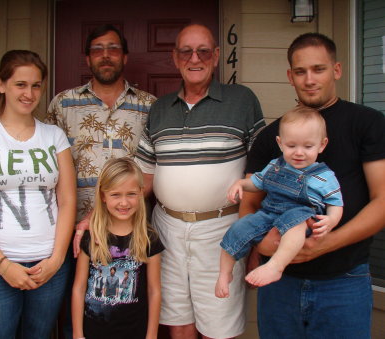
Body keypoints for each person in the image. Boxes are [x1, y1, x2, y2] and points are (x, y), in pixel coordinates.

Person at [243, 33, 385, 338]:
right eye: (300, 71)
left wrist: (326, 243)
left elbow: (382, 200)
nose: (309, 79)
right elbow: (248, 204)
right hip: (280, 282)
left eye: (318, 69)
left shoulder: (366, 124)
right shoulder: (272, 137)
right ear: (289, 76)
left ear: (336, 70)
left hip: (343, 280)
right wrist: (260, 243)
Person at [135, 24, 265, 339]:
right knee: (177, 321)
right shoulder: (160, 109)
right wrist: (101, 217)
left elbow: (258, 176)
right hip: (167, 229)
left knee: (219, 327)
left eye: (204, 51)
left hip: (222, 231)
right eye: (186, 51)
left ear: (216, 56)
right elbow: (145, 178)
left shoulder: (242, 100)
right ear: (175, 58)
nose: (196, 58)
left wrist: (250, 239)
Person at [0, 50, 76, 338]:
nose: (29, 93)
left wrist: (57, 259)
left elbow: (68, 200)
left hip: (48, 267)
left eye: (36, 85)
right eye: (20, 84)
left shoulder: (54, 136)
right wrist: (2, 264)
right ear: (1, 85)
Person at [45, 24, 156, 257]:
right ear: (88, 59)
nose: (105, 55)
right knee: (75, 292)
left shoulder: (150, 107)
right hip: (73, 230)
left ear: (125, 57)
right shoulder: (63, 105)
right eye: (97, 49)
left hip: (131, 231)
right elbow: (49, 169)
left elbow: (156, 169)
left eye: (113, 48)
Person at [215, 107, 343, 296]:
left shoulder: (324, 176)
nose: (299, 153)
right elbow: (257, 183)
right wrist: (241, 184)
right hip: (269, 213)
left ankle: (275, 266)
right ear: (280, 143)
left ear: (322, 145)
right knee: (239, 227)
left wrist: (331, 220)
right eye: (291, 146)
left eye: (308, 147)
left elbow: (336, 203)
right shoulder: (275, 166)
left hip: (301, 214)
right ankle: (224, 274)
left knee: (296, 223)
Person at [71, 157, 164, 339]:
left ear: (141, 193)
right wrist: (77, 334)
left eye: (131, 194)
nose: (124, 203)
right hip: (93, 332)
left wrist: (152, 335)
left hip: (134, 331)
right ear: (103, 196)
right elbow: (79, 288)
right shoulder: (92, 237)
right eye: (116, 195)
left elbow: (154, 291)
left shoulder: (148, 238)